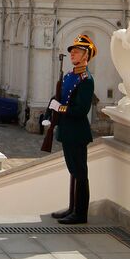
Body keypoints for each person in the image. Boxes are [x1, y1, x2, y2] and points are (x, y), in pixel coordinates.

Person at [49, 34, 96, 225]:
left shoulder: (86, 79)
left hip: (77, 131)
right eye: (72, 52)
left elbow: (80, 110)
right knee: (73, 171)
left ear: (86, 55)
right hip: (67, 130)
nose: (72, 54)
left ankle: (80, 213)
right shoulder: (70, 76)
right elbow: (60, 97)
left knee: (80, 173)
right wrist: (49, 111)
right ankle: (72, 208)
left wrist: (58, 108)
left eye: (76, 52)